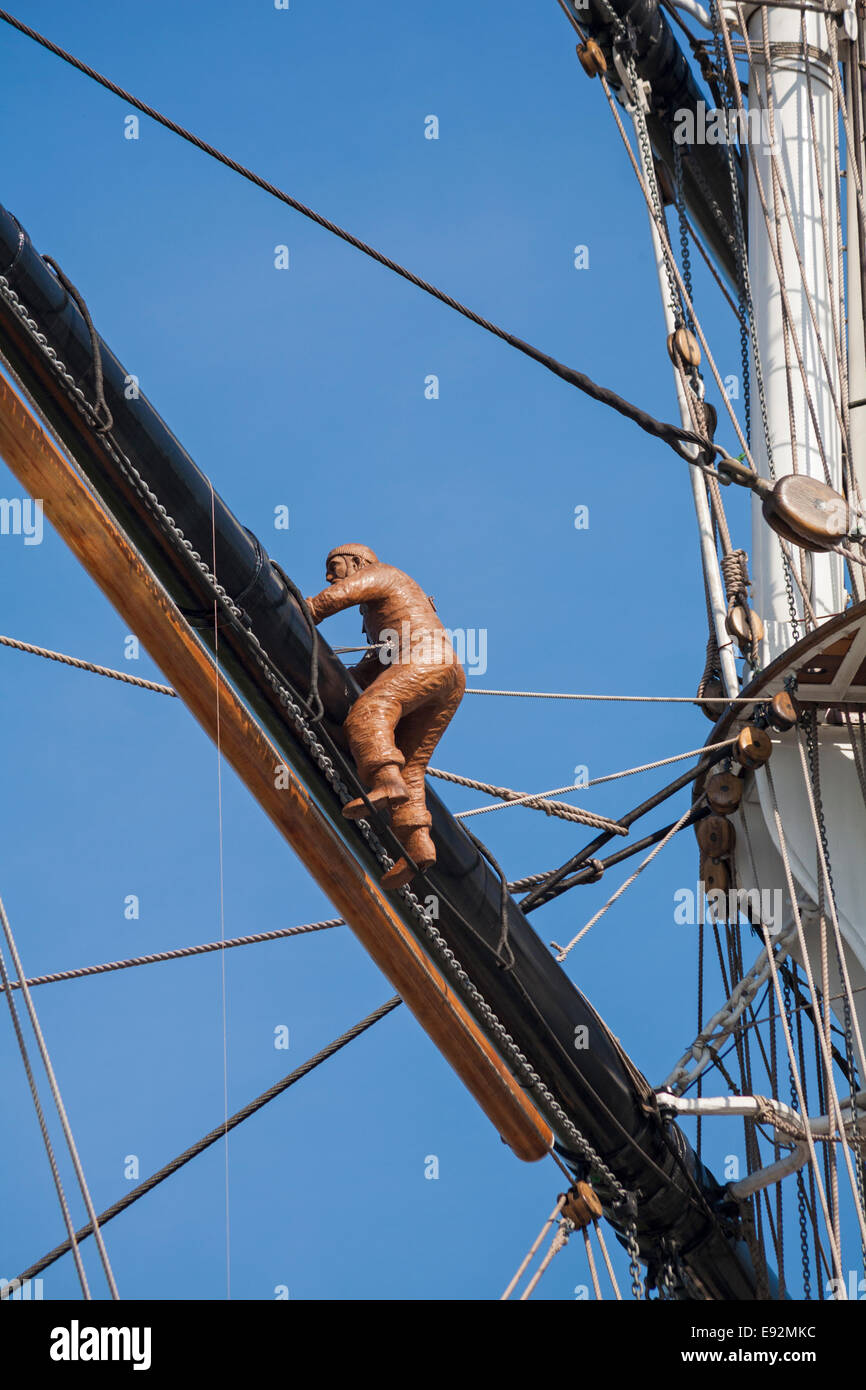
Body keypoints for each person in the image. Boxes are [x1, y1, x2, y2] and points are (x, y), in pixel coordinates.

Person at [306, 544, 465, 888]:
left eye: (336, 566)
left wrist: (302, 610)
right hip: (448, 675)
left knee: (371, 712)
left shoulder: (381, 574)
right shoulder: (391, 607)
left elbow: (334, 598)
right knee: (412, 766)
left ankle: (384, 779)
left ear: (357, 562)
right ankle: (418, 844)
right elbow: (378, 662)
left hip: (428, 658)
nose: (330, 575)